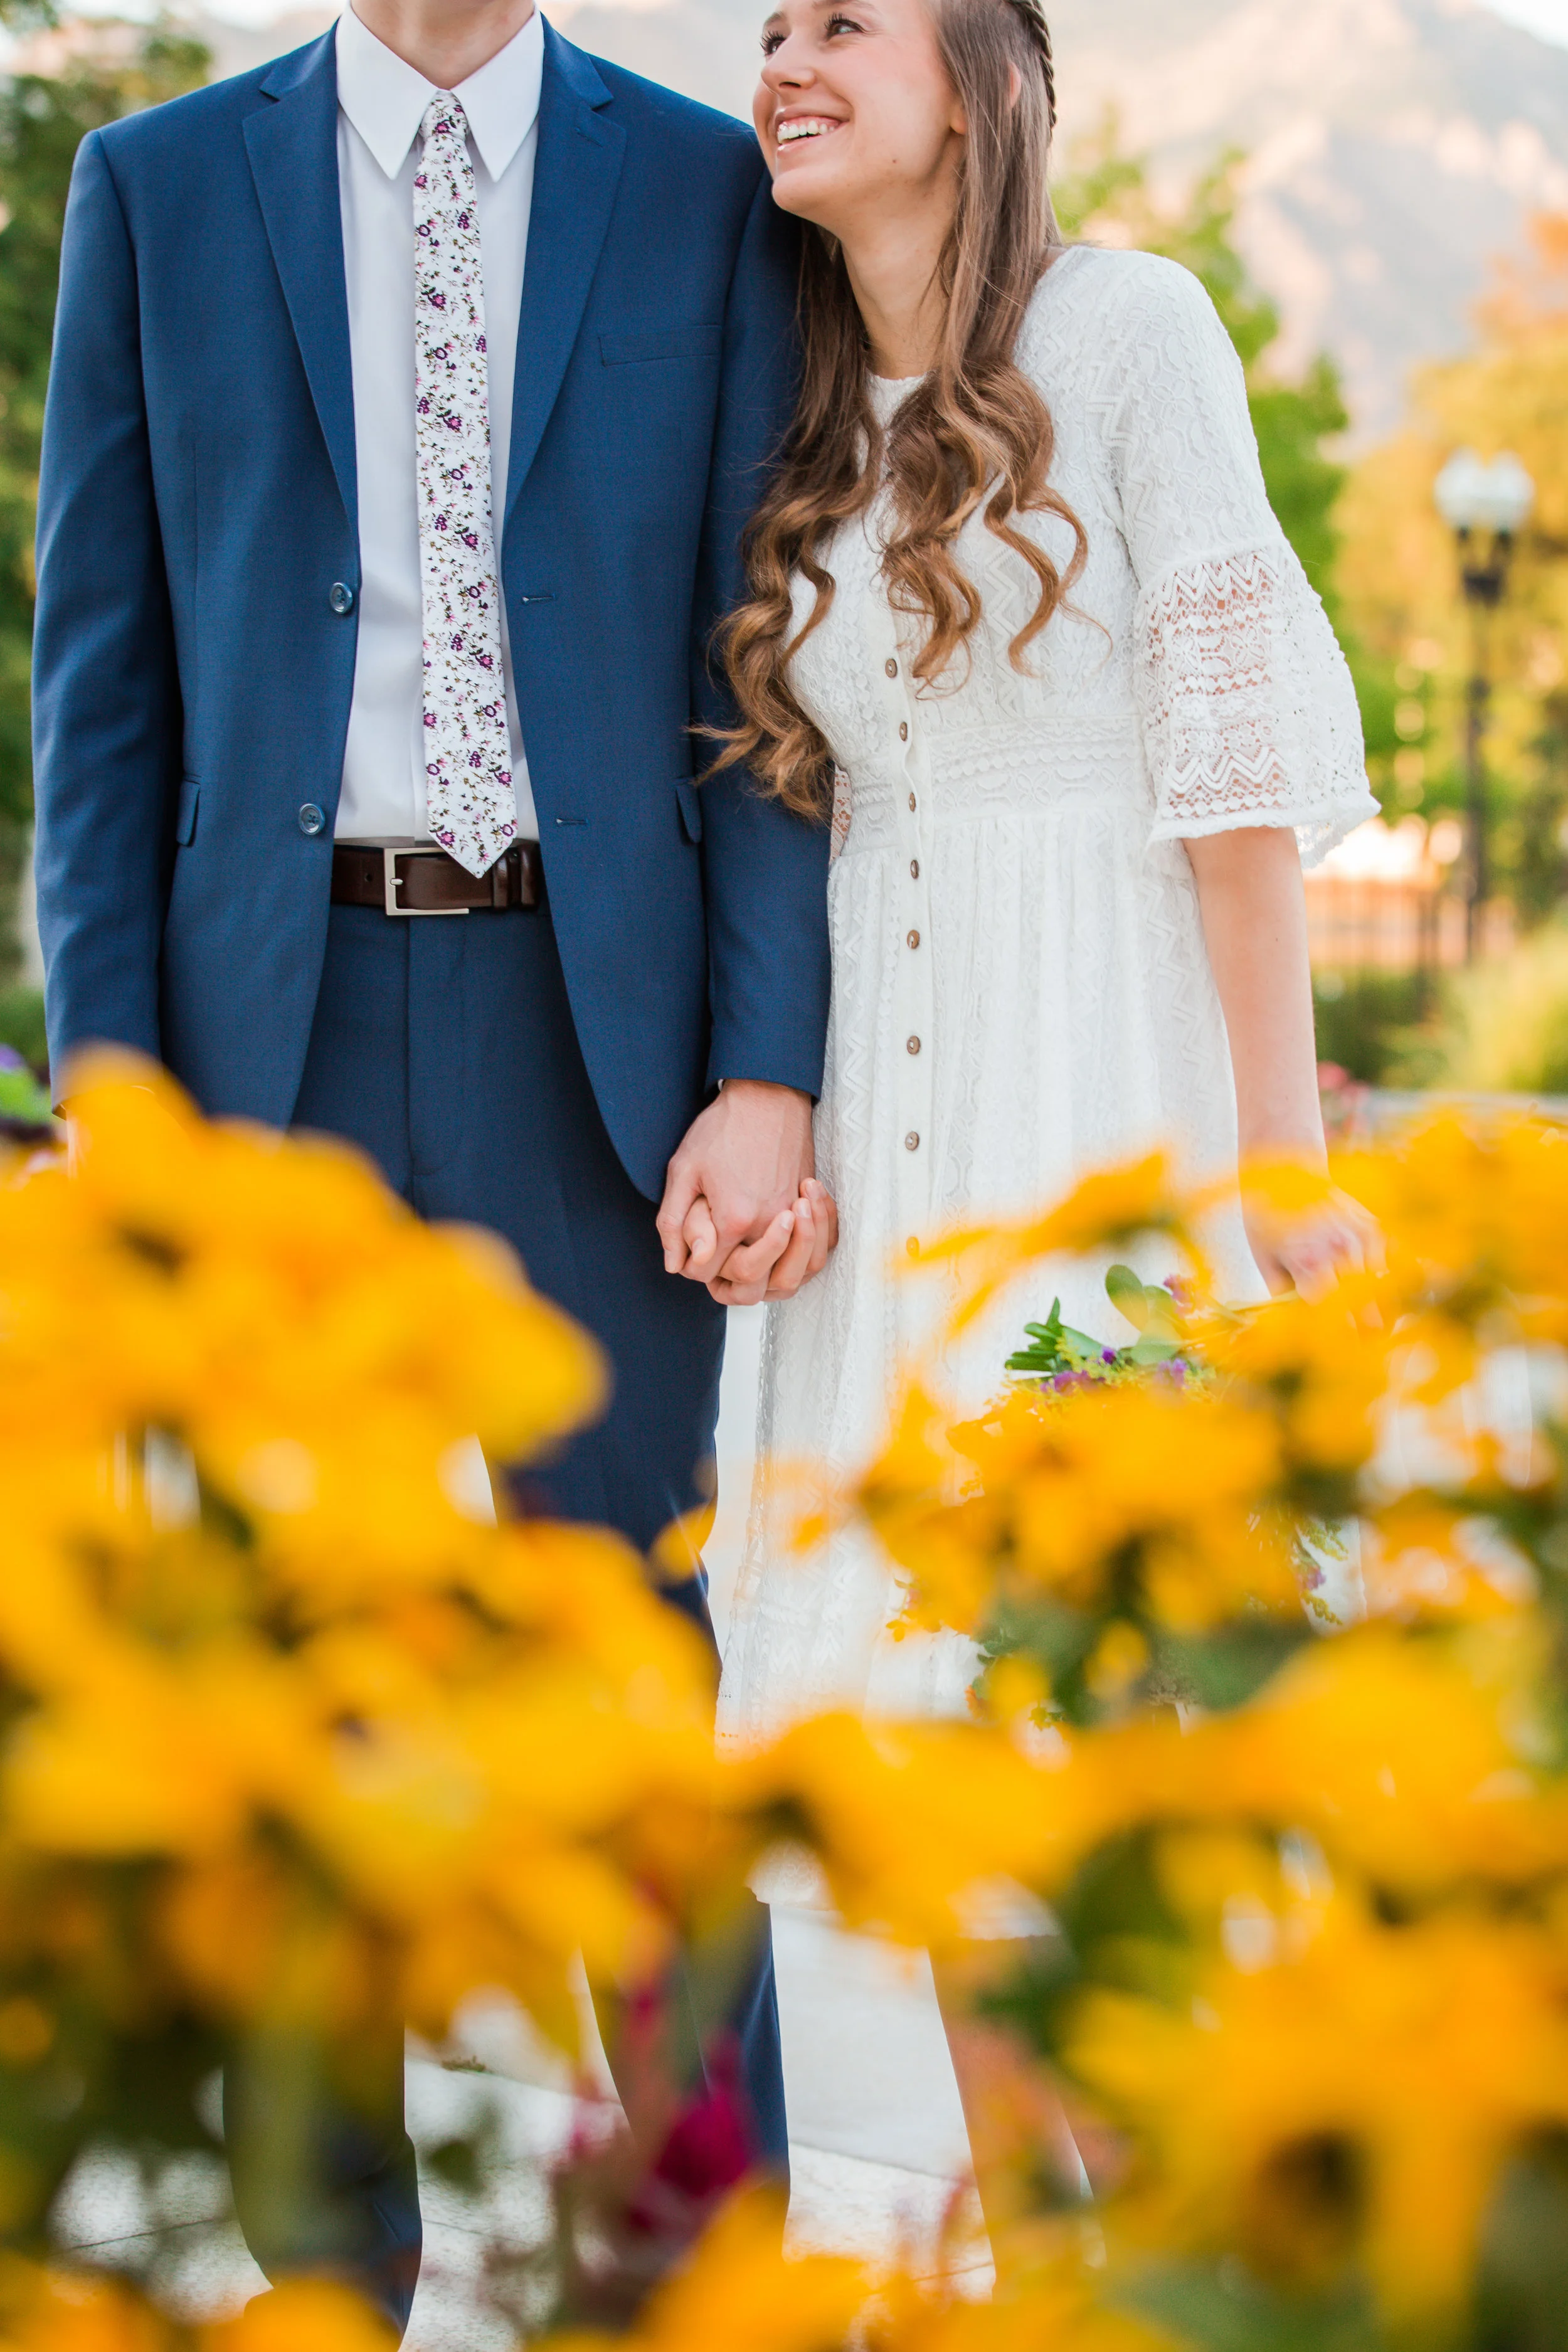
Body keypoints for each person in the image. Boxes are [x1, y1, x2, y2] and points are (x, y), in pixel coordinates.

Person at [32, 0, 837, 2329]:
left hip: (587, 1040)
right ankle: (327, 2284)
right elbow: (104, 676)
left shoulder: (698, 184)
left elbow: (752, 652)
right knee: (297, 1706)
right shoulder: (159, 187)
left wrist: (762, 1063)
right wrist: (113, 1072)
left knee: (623, 1690)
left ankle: (708, 2263)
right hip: (260, 1045)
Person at [703, 0, 1378, 2215]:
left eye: (842, 25)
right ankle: (1040, 2269)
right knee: (922, 1788)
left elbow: (1236, 766)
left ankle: (1172, 2265)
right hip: (894, 1141)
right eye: (771, 27)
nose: (784, 56)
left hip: (1096, 1096)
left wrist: (1272, 1167)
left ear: (981, 88)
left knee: (1088, 1740)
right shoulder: (808, 399)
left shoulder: (1132, 326)